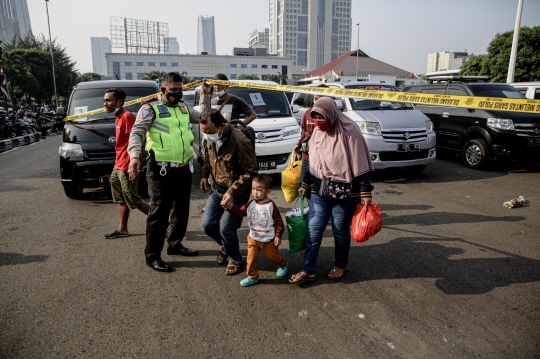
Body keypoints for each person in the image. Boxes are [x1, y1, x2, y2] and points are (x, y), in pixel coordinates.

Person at [128, 72, 212, 272]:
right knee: (159, 213)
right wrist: (133, 157)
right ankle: (153, 256)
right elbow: (137, 133)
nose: (177, 93)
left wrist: (206, 96)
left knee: (181, 210)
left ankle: (175, 244)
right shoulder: (150, 109)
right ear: (163, 90)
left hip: (184, 168)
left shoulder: (184, 108)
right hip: (161, 170)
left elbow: (205, 118)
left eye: (180, 89)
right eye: (173, 90)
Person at [289, 97, 375, 284]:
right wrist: (304, 184)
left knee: (340, 231)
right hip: (319, 189)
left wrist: (365, 191)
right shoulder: (317, 132)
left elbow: (361, 161)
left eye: (322, 117)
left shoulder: (349, 130)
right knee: (314, 229)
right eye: (316, 117)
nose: (319, 121)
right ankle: (308, 270)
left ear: (332, 114)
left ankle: (340, 264)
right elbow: (309, 159)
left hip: (346, 192)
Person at [199, 109, 258, 275]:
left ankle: (235, 258)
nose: (207, 135)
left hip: (237, 192)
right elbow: (208, 158)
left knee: (226, 227)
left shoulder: (240, 141)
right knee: (207, 225)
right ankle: (227, 247)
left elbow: (251, 172)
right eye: (204, 132)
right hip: (217, 189)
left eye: (209, 131)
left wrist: (232, 192)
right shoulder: (210, 137)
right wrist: (204, 175)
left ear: (222, 126)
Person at [103, 88, 150, 239]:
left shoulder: (127, 117)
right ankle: (122, 228)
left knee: (133, 199)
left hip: (126, 164)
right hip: (118, 164)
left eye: (109, 100)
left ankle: (164, 223)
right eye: (105, 100)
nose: (105, 104)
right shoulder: (118, 117)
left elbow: (137, 140)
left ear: (120, 102)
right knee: (122, 198)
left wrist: (134, 166)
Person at [227, 174, 288, 287]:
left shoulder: (271, 206)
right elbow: (241, 212)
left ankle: (283, 264)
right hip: (253, 238)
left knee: (273, 257)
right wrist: (230, 208)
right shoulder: (251, 204)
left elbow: (279, 223)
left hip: (268, 240)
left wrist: (278, 235)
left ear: (268, 191)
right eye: (253, 189)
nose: (255, 192)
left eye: (259, 190)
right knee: (250, 259)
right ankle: (252, 276)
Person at [292, 85, 329, 197]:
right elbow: (304, 132)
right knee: (303, 185)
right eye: (315, 98)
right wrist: (298, 145)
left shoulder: (332, 116)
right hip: (307, 157)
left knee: (321, 186)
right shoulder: (307, 114)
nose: (317, 101)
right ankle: (312, 207)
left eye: (320, 98)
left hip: (324, 159)